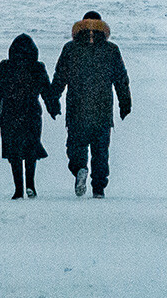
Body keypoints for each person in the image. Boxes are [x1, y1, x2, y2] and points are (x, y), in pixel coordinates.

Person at [50, 11, 131, 198]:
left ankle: (80, 169)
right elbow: (121, 79)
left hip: (77, 107)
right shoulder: (111, 50)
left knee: (75, 146)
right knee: (101, 150)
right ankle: (99, 188)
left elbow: (60, 77)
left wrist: (53, 99)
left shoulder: (70, 49)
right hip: (102, 108)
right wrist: (125, 102)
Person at [0, 33, 60, 199]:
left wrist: (7, 94)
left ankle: (18, 189)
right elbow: (47, 91)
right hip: (32, 113)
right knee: (30, 150)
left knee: (13, 152)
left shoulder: (5, 66)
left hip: (10, 114)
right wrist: (53, 107)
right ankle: (31, 185)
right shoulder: (37, 67)